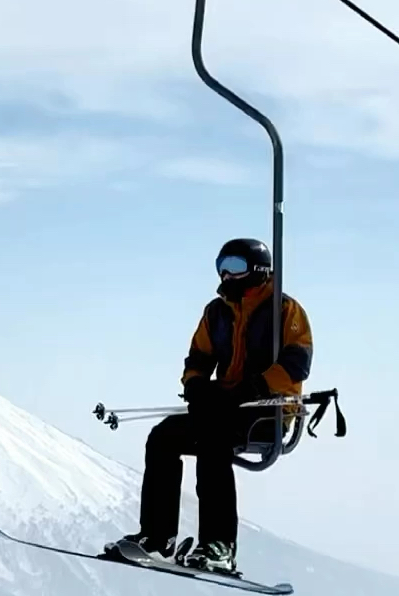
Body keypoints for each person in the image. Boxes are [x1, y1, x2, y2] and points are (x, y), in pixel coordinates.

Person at [105, 237, 313, 575]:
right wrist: (197, 387)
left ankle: (219, 546)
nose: (227, 275)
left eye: (235, 267)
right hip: (222, 406)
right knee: (163, 437)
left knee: (213, 439)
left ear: (258, 269)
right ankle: (158, 538)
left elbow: (297, 362)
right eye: (222, 267)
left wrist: (254, 386)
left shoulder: (284, 310)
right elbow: (198, 358)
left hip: (266, 410)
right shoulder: (216, 312)